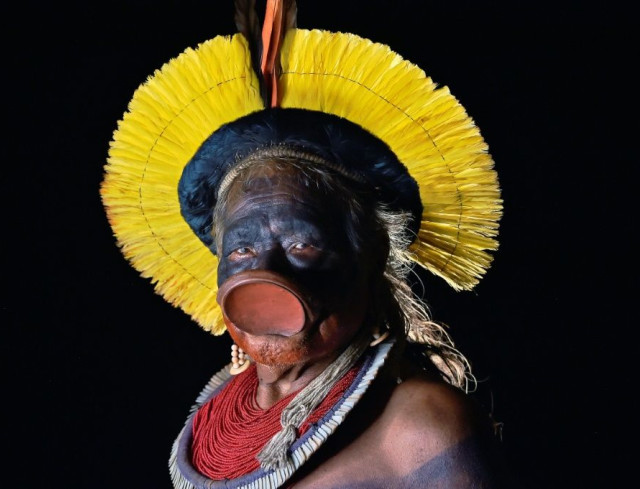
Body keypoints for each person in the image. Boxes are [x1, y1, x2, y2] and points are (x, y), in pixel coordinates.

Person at [100, 1, 518, 487]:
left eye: (302, 245)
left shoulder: (420, 424)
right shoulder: (215, 415)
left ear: (369, 257)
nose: (269, 274)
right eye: (240, 251)